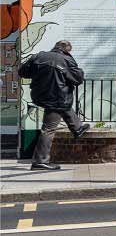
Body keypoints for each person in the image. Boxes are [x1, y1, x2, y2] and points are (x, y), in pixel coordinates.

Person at [18, 38, 87, 173]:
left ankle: (77, 128)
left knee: (63, 106)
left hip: (40, 95)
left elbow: (23, 72)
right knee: (49, 129)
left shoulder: (39, 56)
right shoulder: (66, 60)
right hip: (57, 97)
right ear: (68, 50)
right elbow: (77, 79)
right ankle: (40, 161)